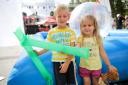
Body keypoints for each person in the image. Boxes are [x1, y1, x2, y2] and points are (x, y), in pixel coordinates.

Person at [35, 4, 77, 85]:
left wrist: (67, 63)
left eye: (64, 16)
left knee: (72, 83)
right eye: (59, 16)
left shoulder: (71, 32)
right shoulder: (52, 32)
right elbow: (48, 46)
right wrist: (39, 53)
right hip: (57, 61)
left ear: (68, 17)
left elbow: (73, 49)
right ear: (55, 18)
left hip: (70, 61)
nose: (62, 19)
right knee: (60, 83)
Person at [77, 15, 117, 85]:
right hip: (84, 66)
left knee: (96, 82)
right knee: (86, 82)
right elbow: (77, 48)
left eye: (89, 25)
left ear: (94, 27)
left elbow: (102, 52)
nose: (87, 27)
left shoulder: (97, 38)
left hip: (96, 66)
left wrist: (109, 65)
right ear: (81, 27)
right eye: (84, 26)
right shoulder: (80, 38)